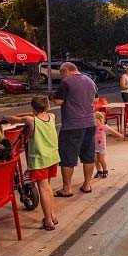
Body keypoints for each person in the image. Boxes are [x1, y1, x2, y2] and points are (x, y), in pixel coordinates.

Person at [3, 96, 60, 230]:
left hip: (40, 159)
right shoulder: (52, 116)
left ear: (33, 108)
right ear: (48, 107)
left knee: (43, 188)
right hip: (53, 157)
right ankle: (52, 215)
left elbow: (17, 119)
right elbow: (33, 114)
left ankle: (48, 221)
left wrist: (8, 117)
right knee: (48, 187)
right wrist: (32, 112)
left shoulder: (31, 120)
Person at [51, 62, 98, 197]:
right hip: (90, 123)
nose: (61, 77)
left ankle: (67, 189)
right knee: (88, 156)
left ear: (66, 70)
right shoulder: (90, 81)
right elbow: (96, 100)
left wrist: (53, 97)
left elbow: (59, 101)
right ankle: (87, 185)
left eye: (61, 74)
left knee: (67, 158)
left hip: (72, 125)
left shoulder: (66, 82)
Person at [93, 111, 123, 178]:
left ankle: (105, 171)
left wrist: (120, 135)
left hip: (101, 146)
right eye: (93, 119)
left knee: (101, 159)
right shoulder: (92, 128)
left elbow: (113, 131)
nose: (94, 121)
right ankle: (99, 171)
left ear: (100, 120)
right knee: (95, 160)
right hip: (94, 146)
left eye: (95, 119)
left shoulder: (104, 127)